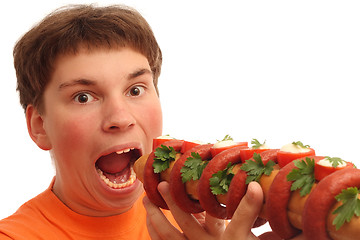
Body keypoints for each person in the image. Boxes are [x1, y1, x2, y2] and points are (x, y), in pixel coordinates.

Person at [0, 4, 303, 240]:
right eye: (83, 97)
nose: (120, 119)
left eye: (135, 90)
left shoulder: (197, 217)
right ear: (39, 126)